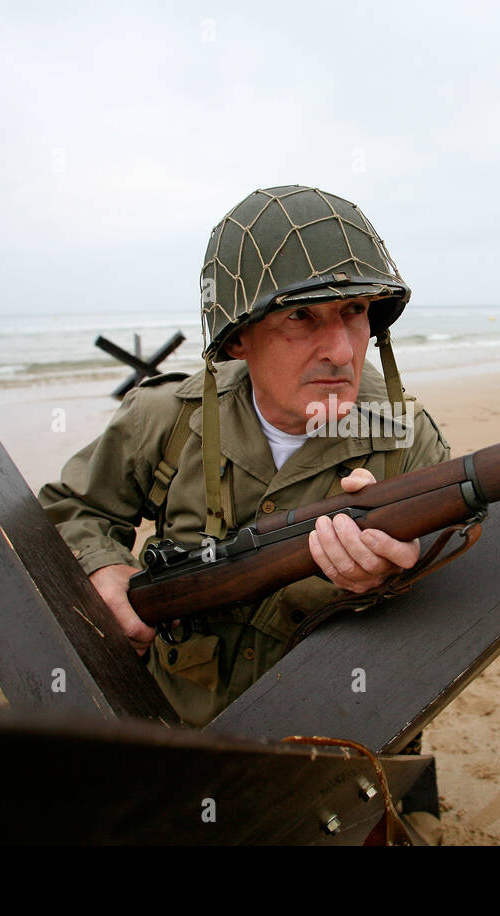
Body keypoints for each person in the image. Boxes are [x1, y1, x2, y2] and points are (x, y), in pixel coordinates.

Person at [38, 185, 452, 726]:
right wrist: (105, 568)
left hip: (333, 736)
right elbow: (70, 510)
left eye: (354, 311)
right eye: (302, 318)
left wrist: (399, 571)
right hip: (176, 720)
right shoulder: (165, 420)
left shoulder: (405, 440)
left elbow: (450, 593)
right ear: (238, 339)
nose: (343, 350)